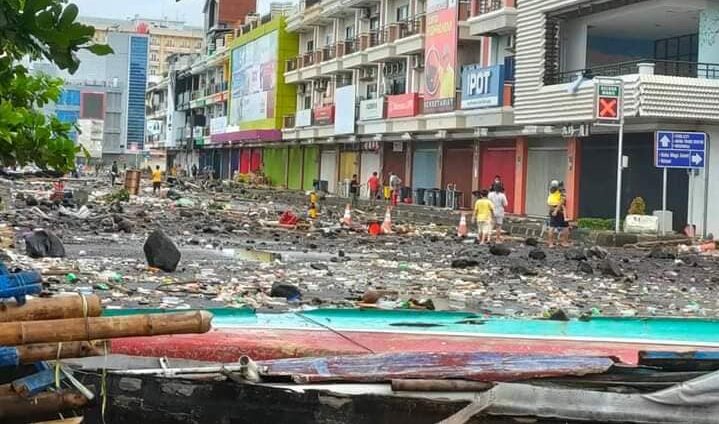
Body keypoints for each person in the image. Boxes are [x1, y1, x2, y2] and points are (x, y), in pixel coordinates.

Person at [547, 180, 570, 247]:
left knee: (552, 226)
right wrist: (556, 210)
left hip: (552, 208)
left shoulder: (551, 190)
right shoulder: (561, 191)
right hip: (558, 209)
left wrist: (553, 209)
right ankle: (564, 242)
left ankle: (550, 243)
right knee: (565, 226)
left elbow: (549, 202)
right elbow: (562, 201)